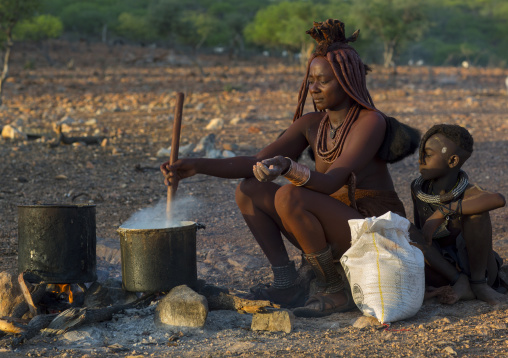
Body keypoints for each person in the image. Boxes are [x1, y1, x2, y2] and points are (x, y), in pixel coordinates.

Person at [161, 19, 417, 317]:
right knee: (249, 189)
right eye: (311, 81)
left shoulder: (370, 121)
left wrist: (288, 168)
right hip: (330, 221)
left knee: (290, 197)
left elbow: (333, 181)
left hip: (372, 227)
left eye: (324, 81)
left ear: (348, 82)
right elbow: (255, 163)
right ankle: (287, 283)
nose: (314, 89)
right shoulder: (311, 124)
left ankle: (333, 291)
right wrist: (196, 165)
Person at [410, 124, 506, 306]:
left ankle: (478, 286)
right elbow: (424, 237)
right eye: (421, 154)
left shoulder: (469, 193)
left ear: (452, 161)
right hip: (443, 271)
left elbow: (498, 199)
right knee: (406, 229)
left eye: (428, 155)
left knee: (477, 213)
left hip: (479, 269)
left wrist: (443, 210)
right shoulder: (418, 189)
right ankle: (459, 282)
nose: (421, 159)